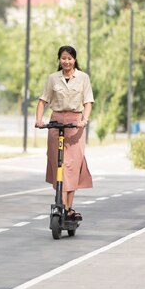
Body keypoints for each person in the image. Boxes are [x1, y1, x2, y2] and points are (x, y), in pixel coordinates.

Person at [35, 45, 94, 221]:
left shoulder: (83, 78)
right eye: (63, 58)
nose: (66, 61)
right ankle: (62, 206)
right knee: (57, 163)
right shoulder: (53, 78)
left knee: (71, 166)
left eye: (69, 58)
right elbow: (42, 100)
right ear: (59, 60)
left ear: (74, 60)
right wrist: (39, 120)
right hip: (56, 122)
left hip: (75, 124)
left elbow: (88, 102)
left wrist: (84, 119)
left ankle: (67, 207)